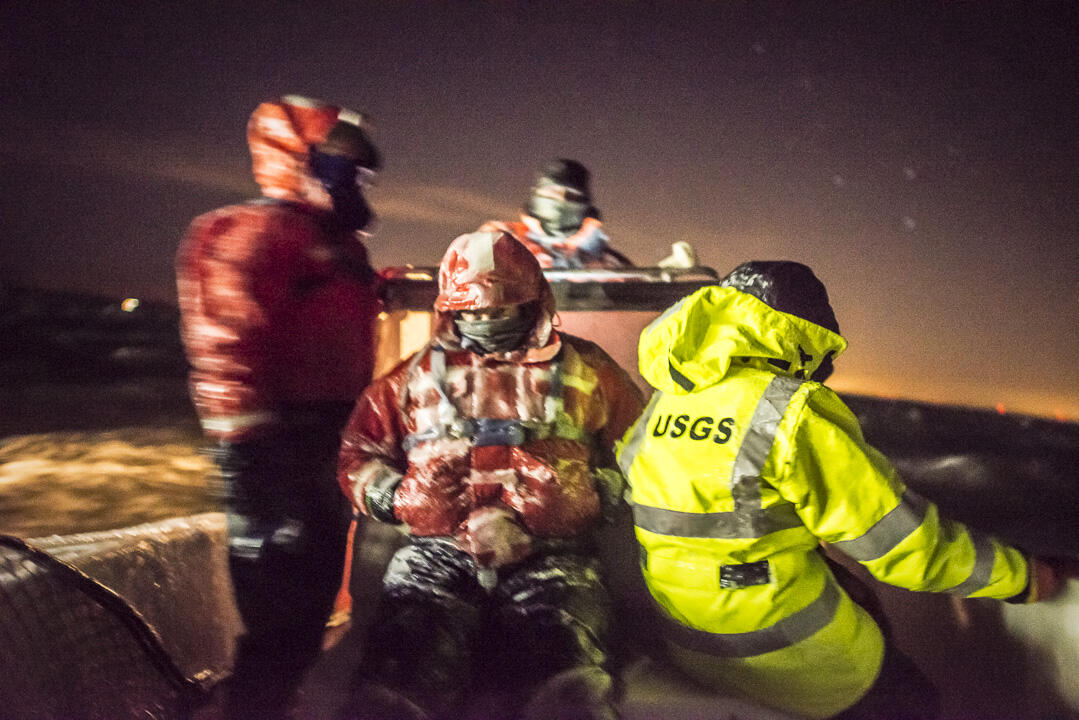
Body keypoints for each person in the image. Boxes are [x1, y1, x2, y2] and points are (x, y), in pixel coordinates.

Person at [614, 261, 1068, 720]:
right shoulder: (787, 411)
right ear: (797, 337)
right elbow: (905, 547)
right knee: (917, 703)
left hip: (691, 646)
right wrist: (1023, 576)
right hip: (796, 663)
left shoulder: (666, 403)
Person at [336, 229, 644, 720]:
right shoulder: (411, 379)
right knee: (397, 672)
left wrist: (591, 495)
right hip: (436, 558)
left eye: (499, 311)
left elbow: (644, 454)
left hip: (553, 559)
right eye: (472, 313)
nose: (484, 322)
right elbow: (357, 454)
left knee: (564, 678)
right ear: (451, 310)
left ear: (533, 303)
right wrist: (399, 497)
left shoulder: (589, 370)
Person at [175, 94, 383, 720]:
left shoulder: (338, 245)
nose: (354, 174)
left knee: (318, 584)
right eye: (339, 157)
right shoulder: (245, 230)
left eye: (359, 163)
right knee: (280, 597)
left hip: (327, 436)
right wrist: (256, 448)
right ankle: (255, 707)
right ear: (298, 155)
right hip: (273, 443)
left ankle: (277, 699)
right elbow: (227, 338)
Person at [480, 158, 633, 269]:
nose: (560, 202)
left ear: (585, 203)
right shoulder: (507, 239)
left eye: (572, 197)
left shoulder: (610, 262)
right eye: (551, 193)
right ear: (537, 195)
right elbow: (474, 255)